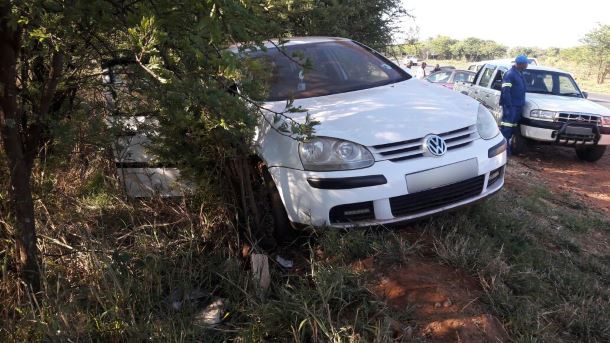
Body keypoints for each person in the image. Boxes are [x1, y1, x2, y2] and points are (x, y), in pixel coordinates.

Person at [499, 54, 528, 155]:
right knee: (506, 129)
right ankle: (503, 152)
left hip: (518, 106)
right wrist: (508, 105)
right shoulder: (510, 74)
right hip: (511, 107)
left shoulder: (520, 73)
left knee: (512, 130)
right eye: (526, 64)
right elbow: (505, 90)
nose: (527, 66)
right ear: (520, 64)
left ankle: (509, 149)